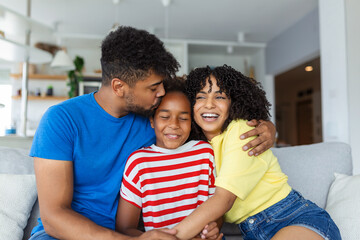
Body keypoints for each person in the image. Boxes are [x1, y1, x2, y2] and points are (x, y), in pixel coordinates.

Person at [29, 25, 275, 240]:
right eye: (153, 87)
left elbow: (216, 124)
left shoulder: (155, 120)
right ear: (119, 87)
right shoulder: (61, 120)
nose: (161, 93)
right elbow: (53, 216)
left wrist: (267, 127)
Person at [172, 65, 341, 240]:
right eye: (200, 96)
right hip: (253, 232)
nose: (209, 104)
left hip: (295, 219)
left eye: (220, 96)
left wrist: (171, 236)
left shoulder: (242, 131)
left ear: (234, 102)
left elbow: (224, 199)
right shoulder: (199, 149)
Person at [116, 78, 222, 240]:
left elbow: (217, 210)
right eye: (165, 117)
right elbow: (125, 228)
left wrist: (214, 228)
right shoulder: (139, 162)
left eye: (183, 118)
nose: (174, 124)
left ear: (192, 121)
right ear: (152, 120)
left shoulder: (204, 153)